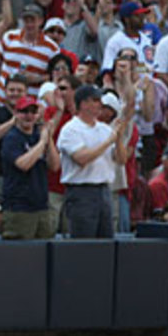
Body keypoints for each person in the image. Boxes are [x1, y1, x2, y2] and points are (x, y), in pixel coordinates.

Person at [57, 85, 133, 238]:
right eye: (96, 100)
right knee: (84, 242)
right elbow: (81, 158)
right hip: (81, 191)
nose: (100, 104)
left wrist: (118, 139)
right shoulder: (71, 129)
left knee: (105, 240)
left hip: (104, 190)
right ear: (83, 104)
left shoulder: (104, 129)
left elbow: (121, 159)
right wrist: (108, 142)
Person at [0, 96, 60, 239]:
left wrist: (48, 138)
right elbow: (23, 164)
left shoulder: (39, 136)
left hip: (42, 206)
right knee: (20, 256)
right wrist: (42, 142)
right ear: (16, 114)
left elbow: (55, 166)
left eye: (33, 112)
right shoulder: (12, 138)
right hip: (19, 208)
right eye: (24, 112)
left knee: (45, 254)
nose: (29, 116)